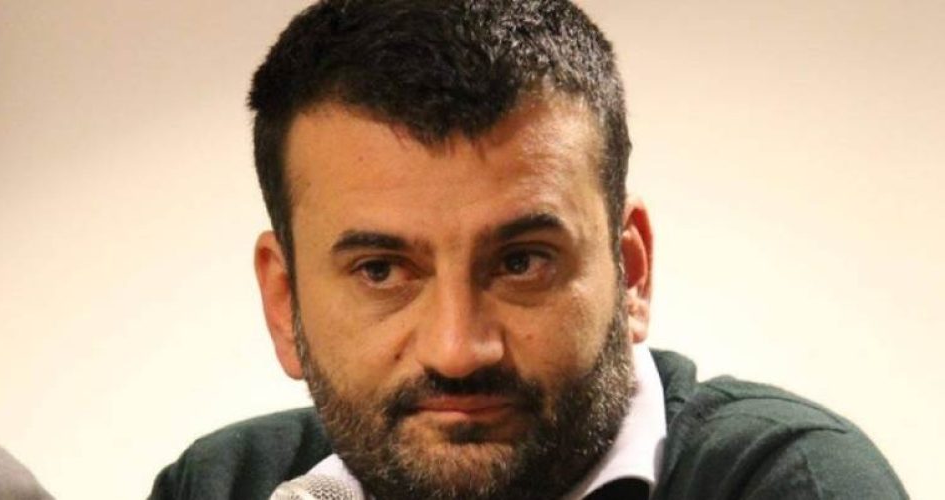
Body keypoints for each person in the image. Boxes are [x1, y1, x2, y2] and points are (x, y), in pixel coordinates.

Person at [150, 1, 908, 499]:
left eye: (521, 262)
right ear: (284, 304)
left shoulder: (788, 481)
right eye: (380, 271)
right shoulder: (223, 485)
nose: (457, 351)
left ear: (631, 273)